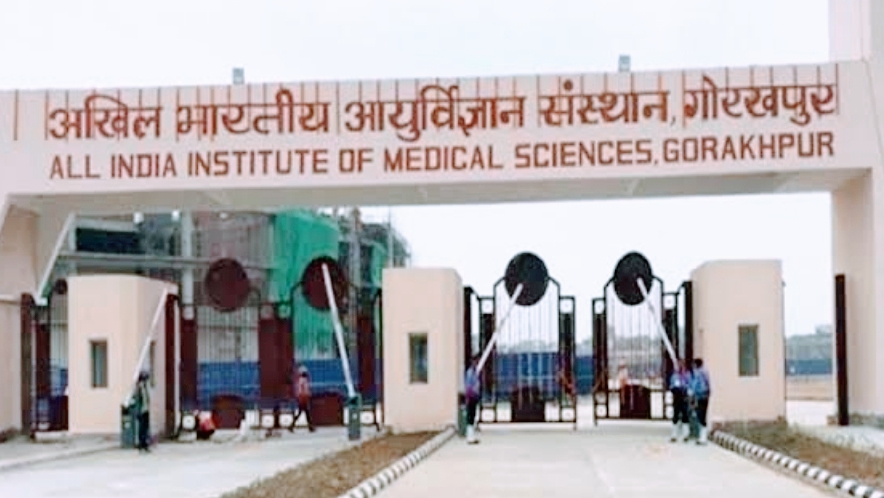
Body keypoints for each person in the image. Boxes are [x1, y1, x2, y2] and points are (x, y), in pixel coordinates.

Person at [668, 360, 692, 443]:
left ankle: (686, 434)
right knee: (675, 415)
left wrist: (687, 390)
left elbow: (690, 384)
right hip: (677, 395)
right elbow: (671, 385)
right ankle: (674, 435)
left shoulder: (687, 375)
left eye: (681, 365)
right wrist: (674, 389)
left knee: (685, 415)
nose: (680, 367)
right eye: (678, 365)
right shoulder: (674, 375)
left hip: (684, 395)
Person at [690, 358, 712, 445]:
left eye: (694, 364)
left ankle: (703, 437)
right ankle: (702, 437)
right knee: (702, 415)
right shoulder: (705, 372)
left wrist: (692, 392)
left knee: (700, 415)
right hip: (705, 395)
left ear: (696, 364)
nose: (693, 366)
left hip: (700, 396)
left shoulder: (698, 373)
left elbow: (696, 384)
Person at [464, 356, 481, 444]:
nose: (476, 363)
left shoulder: (475, 372)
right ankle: (469, 438)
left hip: (474, 397)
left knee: (473, 416)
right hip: (471, 397)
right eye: (475, 362)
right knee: (470, 417)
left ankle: (472, 437)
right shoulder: (470, 372)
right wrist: (470, 396)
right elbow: (468, 386)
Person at [133, 371, 151, 452]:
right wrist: (138, 411)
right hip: (141, 411)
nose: (146, 381)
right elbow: (137, 400)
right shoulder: (138, 388)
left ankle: (145, 444)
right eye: (145, 379)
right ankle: (141, 444)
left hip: (146, 410)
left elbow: (146, 398)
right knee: (141, 429)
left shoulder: (144, 387)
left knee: (145, 428)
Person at [294, 365, 315, 432]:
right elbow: (303, 390)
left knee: (304, 413)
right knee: (306, 413)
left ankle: (310, 427)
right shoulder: (303, 380)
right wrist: (307, 395)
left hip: (302, 398)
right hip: (303, 398)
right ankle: (310, 427)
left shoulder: (301, 380)